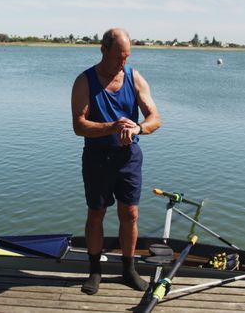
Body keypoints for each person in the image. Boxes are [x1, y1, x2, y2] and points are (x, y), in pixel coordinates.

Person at [70, 28, 161, 295]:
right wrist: (112, 127)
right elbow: (79, 126)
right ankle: (95, 271)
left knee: (130, 214)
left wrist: (138, 129)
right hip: (97, 158)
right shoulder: (85, 81)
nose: (123, 62)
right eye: (118, 57)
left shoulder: (134, 78)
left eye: (127, 56)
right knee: (96, 213)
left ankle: (128, 269)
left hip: (128, 158)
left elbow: (155, 118)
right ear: (103, 50)